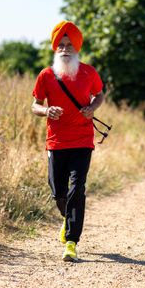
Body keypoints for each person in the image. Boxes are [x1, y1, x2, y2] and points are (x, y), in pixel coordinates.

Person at [31, 20, 105, 262]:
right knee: (57, 191)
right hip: (56, 141)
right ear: (55, 48)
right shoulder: (46, 75)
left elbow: (99, 94)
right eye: (61, 45)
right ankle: (67, 219)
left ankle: (72, 242)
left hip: (83, 140)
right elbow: (35, 105)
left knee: (77, 189)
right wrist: (46, 111)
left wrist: (92, 107)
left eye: (69, 45)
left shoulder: (89, 72)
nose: (65, 49)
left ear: (77, 48)